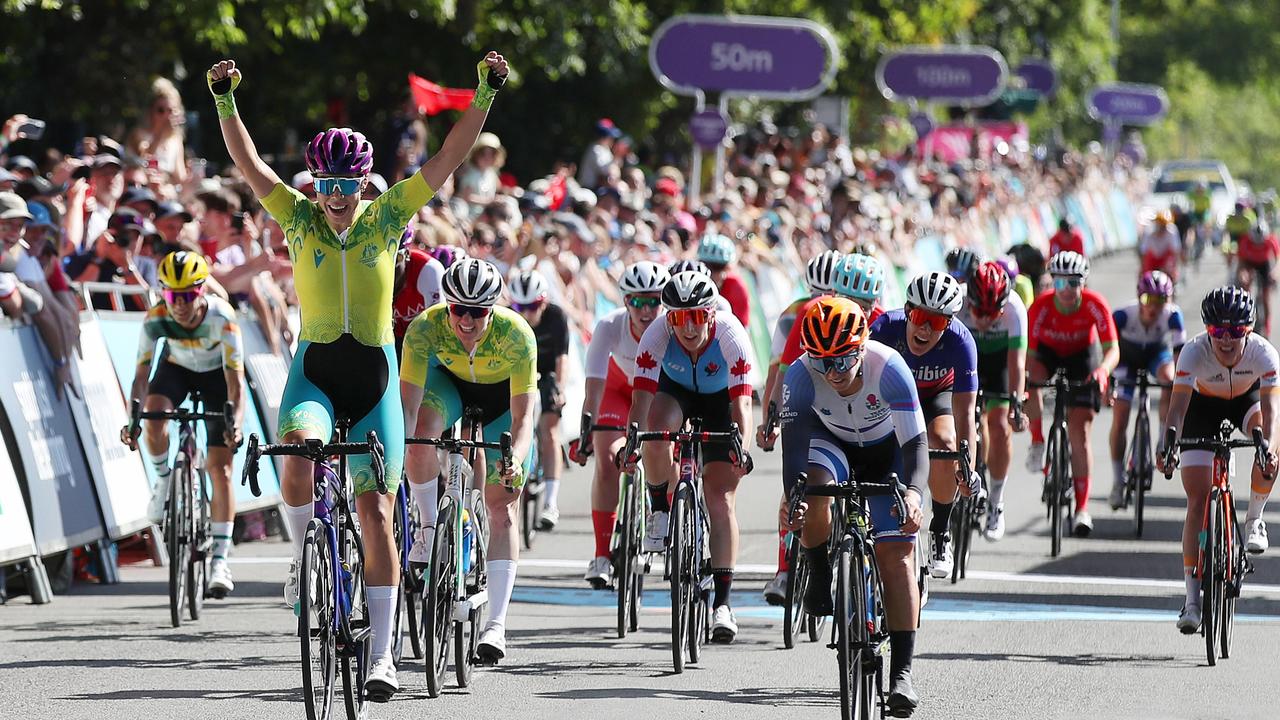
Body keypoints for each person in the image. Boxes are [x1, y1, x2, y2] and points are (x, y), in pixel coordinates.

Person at [207, 50, 509, 701]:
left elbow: (450, 156)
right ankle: (303, 560)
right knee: (296, 460)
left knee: (374, 509)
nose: (337, 199)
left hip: (374, 377)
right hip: (314, 372)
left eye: (347, 186)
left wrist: (482, 93)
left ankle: (382, 656)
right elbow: (250, 164)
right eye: (327, 186)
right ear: (314, 183)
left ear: (365, 183)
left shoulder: (390, 215)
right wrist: (225, 100)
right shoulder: (296, 217)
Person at [779, 297, 928, 717]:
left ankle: (902, 673)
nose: (834, 372)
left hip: (888, 452)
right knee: (811, 493)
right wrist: (795, 501)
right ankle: (821, 575)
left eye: (843, 359)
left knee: (895, 554)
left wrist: (914, 496)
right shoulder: (800, 376)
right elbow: (794, 456)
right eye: (823, 361)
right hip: (833, 444)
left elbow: (915, 445)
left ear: (862, 347)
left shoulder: (890, 368)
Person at [401, 258, 536, 664]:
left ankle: (496, 624)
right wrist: (406, 449)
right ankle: (427, 528)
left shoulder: (517, 335)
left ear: (492, 310)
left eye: (477, 312)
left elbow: (525, 417)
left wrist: (516, 458)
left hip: (501, 405)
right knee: (419, 433)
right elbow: (408, 408)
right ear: (447, 306)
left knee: (502, 508)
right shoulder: (425, 327)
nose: (466, 319)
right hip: (450, 387)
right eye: (458, 309)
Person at [622, 271, 756, 643]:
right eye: (679, 318)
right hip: (676, 391)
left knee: (721, 496)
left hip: (720, 402)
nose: (688, 327)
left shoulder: (731, 335)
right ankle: (660, 510)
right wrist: (633, 441)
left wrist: (740, 448)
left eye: (697, 316)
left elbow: (742, 404)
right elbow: (640, 400)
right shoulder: (657, 335)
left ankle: (723, 604)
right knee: (654, 430)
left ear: (711, 315)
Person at [1156, 287, 1278, 634]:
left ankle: (1254, 518)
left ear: (1249, 331)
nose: (1226, 340)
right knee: (1197, 499)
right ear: (1207, 330)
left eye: (1235, 332)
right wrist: (1168, 445)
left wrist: (1268, 448)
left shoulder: (1264, 354)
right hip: (1202, 409)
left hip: (1246, 403)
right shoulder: (1193, 353)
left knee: (1267, 444)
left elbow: (1272, 413)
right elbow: (1177, 410)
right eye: (1217, 332)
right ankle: (1192, 601)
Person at [121, 252, 244, 596]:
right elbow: (141, 378)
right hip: (176, 369)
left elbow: (236, 381)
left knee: (220, 470)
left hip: (217, 376)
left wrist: (234, 423)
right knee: (155, 415)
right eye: (173, 295)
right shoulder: (156, 317)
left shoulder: (223, 317)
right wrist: (133, 419)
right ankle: (163, 480)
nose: (180, 304)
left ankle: (220, 559)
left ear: (202, 291)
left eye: (187, 295)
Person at [870, 272, 980, 578]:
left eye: (939, 322)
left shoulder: (961, 342)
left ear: (950, 323)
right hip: (890, 395)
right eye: (920, 316)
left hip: (936, 397)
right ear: (907, 310)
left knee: (944, 443)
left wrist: (966, 465)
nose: (926, 329)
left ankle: (941, 528)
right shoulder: (882, 329)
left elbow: (965, 412)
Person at [571, 260, 669, 588]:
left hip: (656, 394)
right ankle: (601, 555)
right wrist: (586, 432)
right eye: (638, 301)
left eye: (655, 300)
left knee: (664, 451)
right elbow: (594, 387)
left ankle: (668, 516)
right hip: (617, 390)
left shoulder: (672, 327)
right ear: (625, 301)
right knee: (607, 460)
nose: (647, 309)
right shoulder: (609, 325)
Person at [758, 249, 841, 604]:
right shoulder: (794, 314)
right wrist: (769, 420)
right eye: (815, 295)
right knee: (797, 478)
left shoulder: (852, 314)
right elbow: (778, 370)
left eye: (829, 295)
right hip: (805, 393)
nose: (820, 302)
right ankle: (783, 569)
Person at [1025, 251, 1119, 536]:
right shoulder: (1040, 307)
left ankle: (1081, 509)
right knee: (1033, 380)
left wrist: (1102, 372)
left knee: (1080, 434)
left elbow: (1112, 350)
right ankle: (1039, 441)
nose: (1067, 290)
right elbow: (1027, 356)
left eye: (1074, 283)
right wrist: (1027, 387)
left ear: (1084, 283)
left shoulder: (1094, 305)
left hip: (1083, 357)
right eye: (1061, 283)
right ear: (1053, 283)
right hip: (1048, 354)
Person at [956, 261, 1028, 540]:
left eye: (992, 314)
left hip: (999, 364)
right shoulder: (957, 300)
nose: (984, 320)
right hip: (967, 359)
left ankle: (996, 502)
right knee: (961, 423)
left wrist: (1016, 404)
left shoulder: (1014, 308)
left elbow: (1017, 363)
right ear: (969, 301)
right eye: (978, 312)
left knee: (999, 426)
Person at [1107, 271, 1184, 510]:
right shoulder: (1121, 315)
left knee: (1170, 379)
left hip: (1156, 355)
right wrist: (1109, 381)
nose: (1154, 307)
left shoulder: (1173, 316)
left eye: (1161, 301)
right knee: (1120, 415)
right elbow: (1107, 349)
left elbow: (1180, 357)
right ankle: (1118, 480)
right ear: (1139, 298)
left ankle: (1162, 439)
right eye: (1148, 300)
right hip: (1126, 358)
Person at [508, 268, 571, 530]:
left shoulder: (556, 316)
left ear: (543, 302)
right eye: (519, 306)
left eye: (532, 307)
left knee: (549, 431)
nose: (525, 314)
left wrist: (560, 388)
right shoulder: (508, 318)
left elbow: (562, 359)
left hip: (546, 373)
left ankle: (551, 502)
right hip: (518, 373)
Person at [392, 227, 444, 358]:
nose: (389, 268)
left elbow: (438, 330)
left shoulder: (428, 269)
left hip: (420, 341)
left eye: (396, 258)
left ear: (407, 254)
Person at [1234, 211, 1280, 336]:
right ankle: (1245, 319)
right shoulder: (1245, 240)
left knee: (1266, 297)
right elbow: (1241, 262)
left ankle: (1267, 325)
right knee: (1245, 287)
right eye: (1256, 243)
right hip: (1249, 263)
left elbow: (1277, 260)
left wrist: (1274, 273)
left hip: (1264, 264)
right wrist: (1243, 274)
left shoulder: (1271, 240)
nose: (1258, 245)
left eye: (1260, 243)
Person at [696, 233, 750, 328]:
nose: (711, 273)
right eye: (706, 266)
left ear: (727, 268)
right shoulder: (691, 281)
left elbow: (741, 327)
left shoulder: (736, 286)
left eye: (718, 267)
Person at [1140, 211, 1181, 282]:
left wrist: (1174, 269)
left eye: (1164, 226)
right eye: (1161, 225)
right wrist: (1142, 269)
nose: (1163, 228)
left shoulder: (1171, 231)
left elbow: (1176, 251)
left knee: (1171, 271)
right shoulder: (1149, 231)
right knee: (1145, 274)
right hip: (1153, 255)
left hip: (1165, 256)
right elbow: (1143, 252)